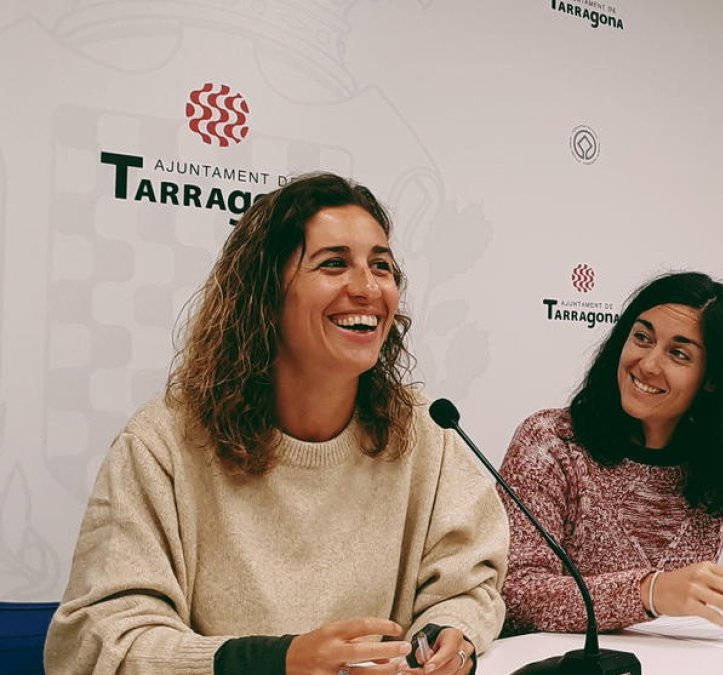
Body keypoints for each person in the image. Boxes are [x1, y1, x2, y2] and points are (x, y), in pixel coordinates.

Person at [44, 173, 507, 675]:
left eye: (381, 266)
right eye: (333, 264)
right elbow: (96, 641)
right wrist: (274, 663)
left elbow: (468, 585)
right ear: (265, 292)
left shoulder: (426, 434)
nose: (368, 287)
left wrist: (447, 639)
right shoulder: (162, 444)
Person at [498, 271, 723, 635]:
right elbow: (516, 593)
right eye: (642, 338)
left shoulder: (722, 462)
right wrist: (650, 592)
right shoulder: (552, 442)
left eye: (678, 354)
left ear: (711, 379)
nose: (647, 364)